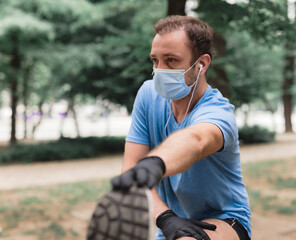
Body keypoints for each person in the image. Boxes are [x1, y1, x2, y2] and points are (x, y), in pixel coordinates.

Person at [89, 15, 251, 240]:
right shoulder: (148, 94)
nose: (160, 70)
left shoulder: (218, 112)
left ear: (201, 64)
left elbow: (196, 140)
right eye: (155, 60)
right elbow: (131, 167)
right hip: (172, 222)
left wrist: (156, 163)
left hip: (225, 219)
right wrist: (165, 218)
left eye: (171, 60)